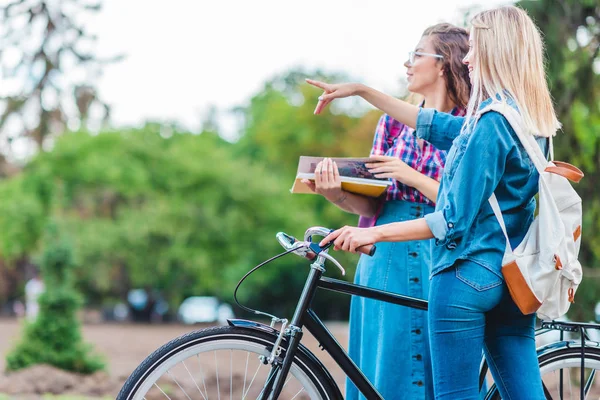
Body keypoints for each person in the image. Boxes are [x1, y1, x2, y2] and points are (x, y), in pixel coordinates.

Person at [308, 5, 556, 399]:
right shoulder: (531, 122)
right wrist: (362, 91)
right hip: (514, 277)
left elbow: (449, 220)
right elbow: (435, 125)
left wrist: (372, 233)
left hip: (466, 276)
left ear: (496, 50)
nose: (469, 57)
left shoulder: (490, 123)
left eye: (476, 48)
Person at [304, 23, 470, 400]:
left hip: (438, 249)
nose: (407, 64)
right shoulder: (392, 123)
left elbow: (461, 204)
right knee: (382, 364)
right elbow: (375, 204)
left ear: (443, 65)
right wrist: (335, 194)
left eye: (416, 55)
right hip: (383, 255)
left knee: (436, 368)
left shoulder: (468, 126)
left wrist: (410, 175)